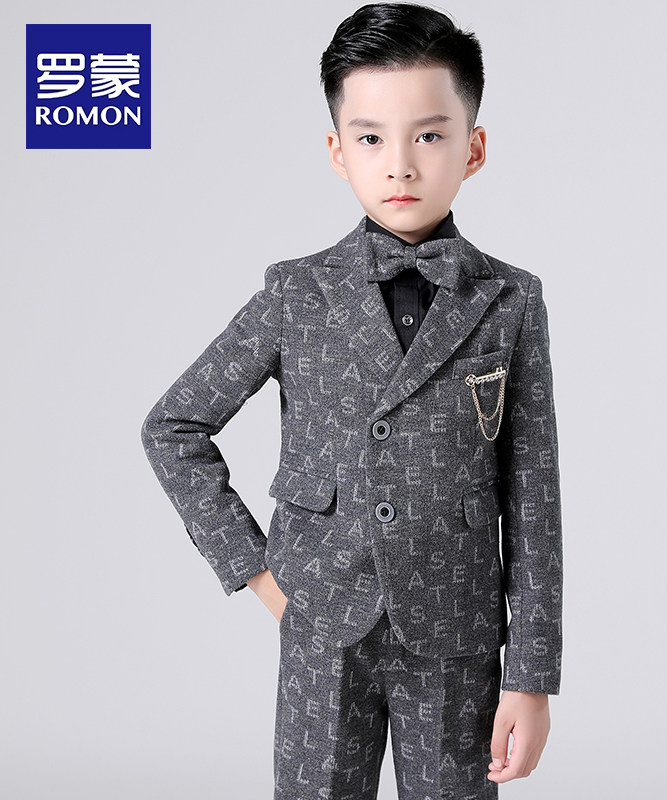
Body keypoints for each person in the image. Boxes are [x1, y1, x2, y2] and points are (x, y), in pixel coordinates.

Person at [140, 3, 563, 798]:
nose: (400, 165)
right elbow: (174, 426)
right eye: (371, 139)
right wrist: (256, 572)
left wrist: (532, 675)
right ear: (338, 151)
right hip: (323, 618)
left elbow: (533, 494)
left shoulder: (511, 301)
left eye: (428, 136)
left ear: (473, 149)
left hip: (457, 630)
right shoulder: (296, 293)